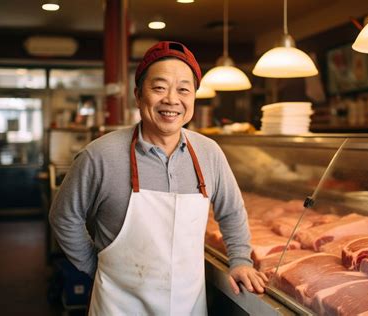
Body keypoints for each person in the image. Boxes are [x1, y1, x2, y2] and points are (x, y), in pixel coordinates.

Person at [49, 41, 267, 315]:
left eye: (184, 89)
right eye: (159, 87)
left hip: (188, 307)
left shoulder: (209, 153)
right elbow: (64, 216)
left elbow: (232, 211)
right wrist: (95, 265)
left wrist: (240, 260)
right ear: (138, 95)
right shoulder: (99, 155)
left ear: (194, 99)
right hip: (118, 307)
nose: (172, 100)